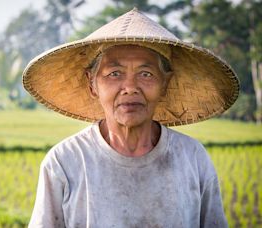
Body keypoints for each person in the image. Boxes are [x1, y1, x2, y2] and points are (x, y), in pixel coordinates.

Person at [22, 8, 239, 228]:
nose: (130, 88)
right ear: (92, 83)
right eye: (114, 74)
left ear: (165, 84)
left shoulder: (193, 158)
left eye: (146, 74)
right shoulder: (64, 162)